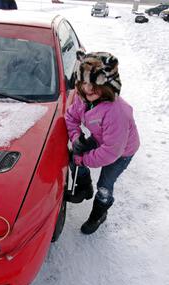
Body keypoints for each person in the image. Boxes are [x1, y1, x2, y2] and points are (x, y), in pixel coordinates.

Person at [65, 50, 140, 235]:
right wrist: (76, 140)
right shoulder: (83, 99)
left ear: (107, 85)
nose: (88, 88)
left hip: (121, 152)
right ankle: (84, 186)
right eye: (84, 82)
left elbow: (111, 152)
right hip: (102, 139)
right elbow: (70, 117)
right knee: (74, 155)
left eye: (95, 84)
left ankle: (99, 213)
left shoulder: (117, 112)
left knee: (105, 186)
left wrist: (86, 159)